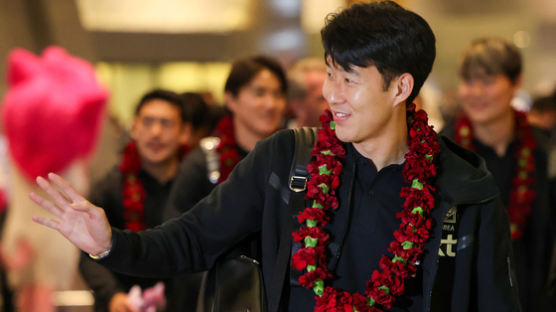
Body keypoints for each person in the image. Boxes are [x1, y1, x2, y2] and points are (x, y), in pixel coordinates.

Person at [31, 2, 520, 311]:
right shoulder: (287, 161)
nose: (332, 94)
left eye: (349, 79)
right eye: (330, 74)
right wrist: (110, 243)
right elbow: (194, 239)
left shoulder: (462, 191)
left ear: (401, 87)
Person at [441, 38, 552, 311]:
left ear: (516, 83)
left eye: (488, 81)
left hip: (531, 294)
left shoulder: (542, 150)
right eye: (468, 81)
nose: (476, 92)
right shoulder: (443, 149)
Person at [78, 89, 191, 312]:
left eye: (166, 123)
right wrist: (113, 296)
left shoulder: (196, 185)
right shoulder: (111, 186)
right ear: (135, 128)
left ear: (184, 132)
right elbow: (88, 253)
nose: (156, 132)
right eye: (148, 122)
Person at [167, 55, 287, 216]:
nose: (271, 104)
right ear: (230, 99)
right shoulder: (204, 163)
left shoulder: (292, 157)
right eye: (259, 93)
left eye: (278, 94)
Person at [287, 57, 328, 128]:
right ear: (298, 105)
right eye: (323, 99)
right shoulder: (280, 137)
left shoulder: (343, 136)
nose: (333, 105)